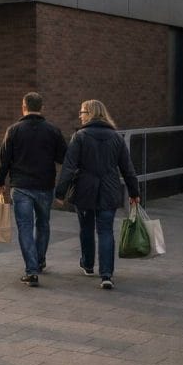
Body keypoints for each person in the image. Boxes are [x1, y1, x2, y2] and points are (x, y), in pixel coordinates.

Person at [55, 100, 140, 289]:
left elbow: (69, 167)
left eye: (82, 111)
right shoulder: (116, 138)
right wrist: (134, 192)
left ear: (91, 113)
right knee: (106, 231)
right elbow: (128, 168)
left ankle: (87, 264)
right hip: (110, 190)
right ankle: (107, 275)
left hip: (85, 190)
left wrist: (60, 193)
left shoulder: (80, 137)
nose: (80, 115)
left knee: (86, 228)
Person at [0, 92, 68, 287]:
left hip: (21, 187)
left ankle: (31, 270)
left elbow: (4, 159)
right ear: (42, 108)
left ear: (23, 107)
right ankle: (40, 260)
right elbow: (64, 158)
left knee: (25, 228)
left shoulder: (13, 130)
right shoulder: (53, 131)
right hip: (45, 186)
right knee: (43, 224)